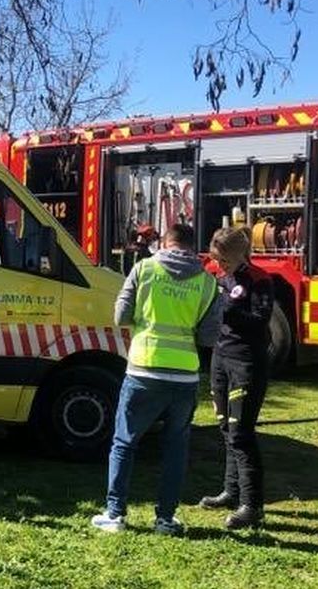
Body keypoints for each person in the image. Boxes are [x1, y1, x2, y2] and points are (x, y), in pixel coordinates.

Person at [92, 222, 223, 535]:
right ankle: (165, 519)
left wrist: (144, 320)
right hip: (184, 376)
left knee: (125, 442)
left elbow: (120, 317)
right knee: (176, 449)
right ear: (193, 247)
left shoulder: (143, 269)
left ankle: (116, 514)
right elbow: (208, 338)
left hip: (143, 369)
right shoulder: (207, 283)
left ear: (165, 242)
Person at [199, 226, 274, 529]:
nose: (219, 266)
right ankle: (231, 491)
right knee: (225, 428)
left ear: (239, 255)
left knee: (242, 433)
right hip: (221, 357)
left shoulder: (259, 280)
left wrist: (226, 310)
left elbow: (260, 321)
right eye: (217, 261)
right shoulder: (216, 275)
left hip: (247, 362)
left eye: (224, 262)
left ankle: (252, 506)